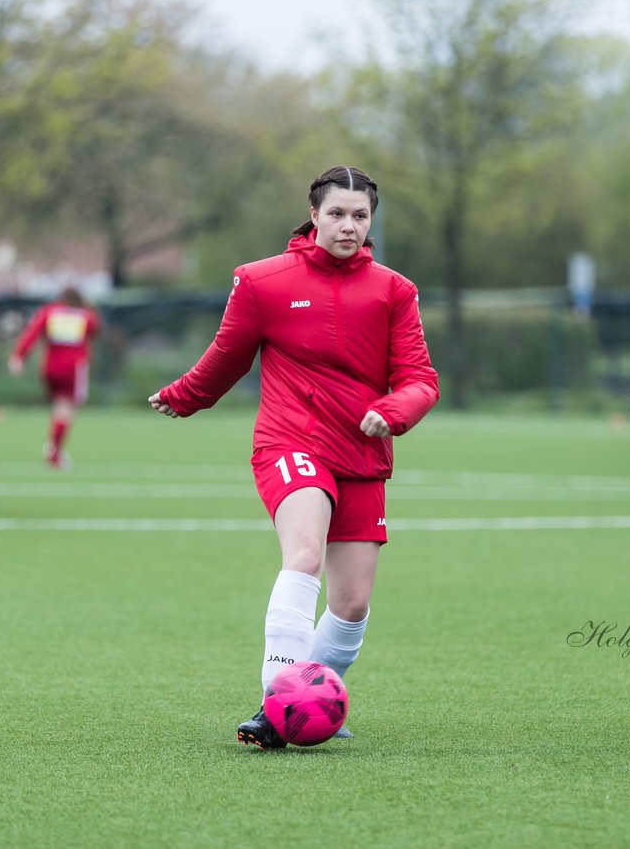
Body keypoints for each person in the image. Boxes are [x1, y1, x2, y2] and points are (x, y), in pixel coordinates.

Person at [149, 165, 440, 748]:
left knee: (352, 604)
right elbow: (227, 355)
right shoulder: (262, 281)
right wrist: (185, 396)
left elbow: (420, 378)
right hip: (292, 440)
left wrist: (395, 409)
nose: (349, 226)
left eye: (360, 216)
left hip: (362, 450)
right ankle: (276, 705)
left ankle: (312, 694)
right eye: (337, 213)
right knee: (303, 553)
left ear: (371, 222)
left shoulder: (394, 290)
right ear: (313, 216)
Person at [8, 287, 99, 468]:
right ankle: (54, 450)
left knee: (59, 406)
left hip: (50, 366)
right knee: (67, 408)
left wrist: (19, 356)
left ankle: (54, 448)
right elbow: (95, 328)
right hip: (73, 367)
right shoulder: (85, 315)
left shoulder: (49, 312)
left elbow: (32, 333)